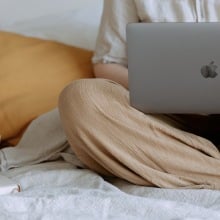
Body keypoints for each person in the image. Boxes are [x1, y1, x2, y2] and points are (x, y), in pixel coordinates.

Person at [58, 0, 220, 189]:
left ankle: (191, 167)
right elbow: (108, 64)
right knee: (80, 98)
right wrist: (159, 88)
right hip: (163, 117)